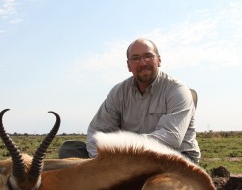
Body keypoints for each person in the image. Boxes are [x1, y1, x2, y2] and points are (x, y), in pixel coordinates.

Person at [59, 38, 200, 163]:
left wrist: (124, 150)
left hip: (175, 158)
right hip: (127, 159)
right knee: (70, 150)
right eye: (136, 58)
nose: (143, 62)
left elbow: (170, 139)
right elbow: (98, 131)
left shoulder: (177, 90)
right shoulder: (118, 92)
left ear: (159, 60)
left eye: (148, 56)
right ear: (128, 65)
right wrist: (101, 163)